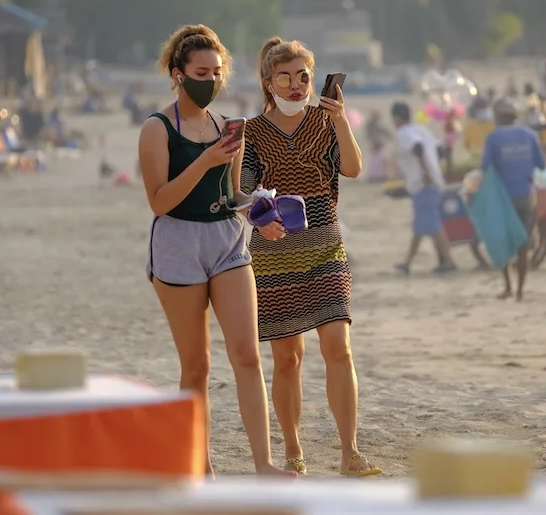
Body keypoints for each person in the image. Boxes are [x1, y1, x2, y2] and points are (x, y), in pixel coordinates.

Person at [137, 25, 293, 478]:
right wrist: (205, 160)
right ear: (178, 73)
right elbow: (159, 200)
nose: (210, 80)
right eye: (201, 71)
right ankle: (199, 468)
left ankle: (264, 463)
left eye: (217, 72)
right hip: (178, 243)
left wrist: (262, 213)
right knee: (197, 365)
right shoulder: (157, 128)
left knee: (246, 353)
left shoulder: (228, 127)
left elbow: (232, 194)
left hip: (226, 240)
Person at [241, 37, 381, 477]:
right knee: (288, 357)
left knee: (338, 345)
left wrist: (341, 122)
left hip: (325, 242)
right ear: (268, 81)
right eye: (285, 76)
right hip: (274, 252)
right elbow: (241, 192)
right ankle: (293, 453)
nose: (297, 84)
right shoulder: (252, 132)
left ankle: (349, 452)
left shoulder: (326, 122)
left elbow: (354, 169)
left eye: (303, 75)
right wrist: (259, 217)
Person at [480, 97, 546, 301]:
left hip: (504, 198)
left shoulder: (493, 138)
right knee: (522, 246)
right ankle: (520, 291)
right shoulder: (530, 135)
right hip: (526, 196)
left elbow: (484, 168)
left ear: (499, 117)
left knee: (503, 244)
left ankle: (508, 286)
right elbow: (542, 165)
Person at [390, 102, 457, 275]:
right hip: (432, 182)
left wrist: (425, 172)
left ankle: (450, 262)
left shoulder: (404, 133)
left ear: (397, 118)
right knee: (420, 227)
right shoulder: (422, 130)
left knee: (433, 226)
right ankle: (407, 264)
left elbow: (417, 148)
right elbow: (441, 150)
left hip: (423, 184)